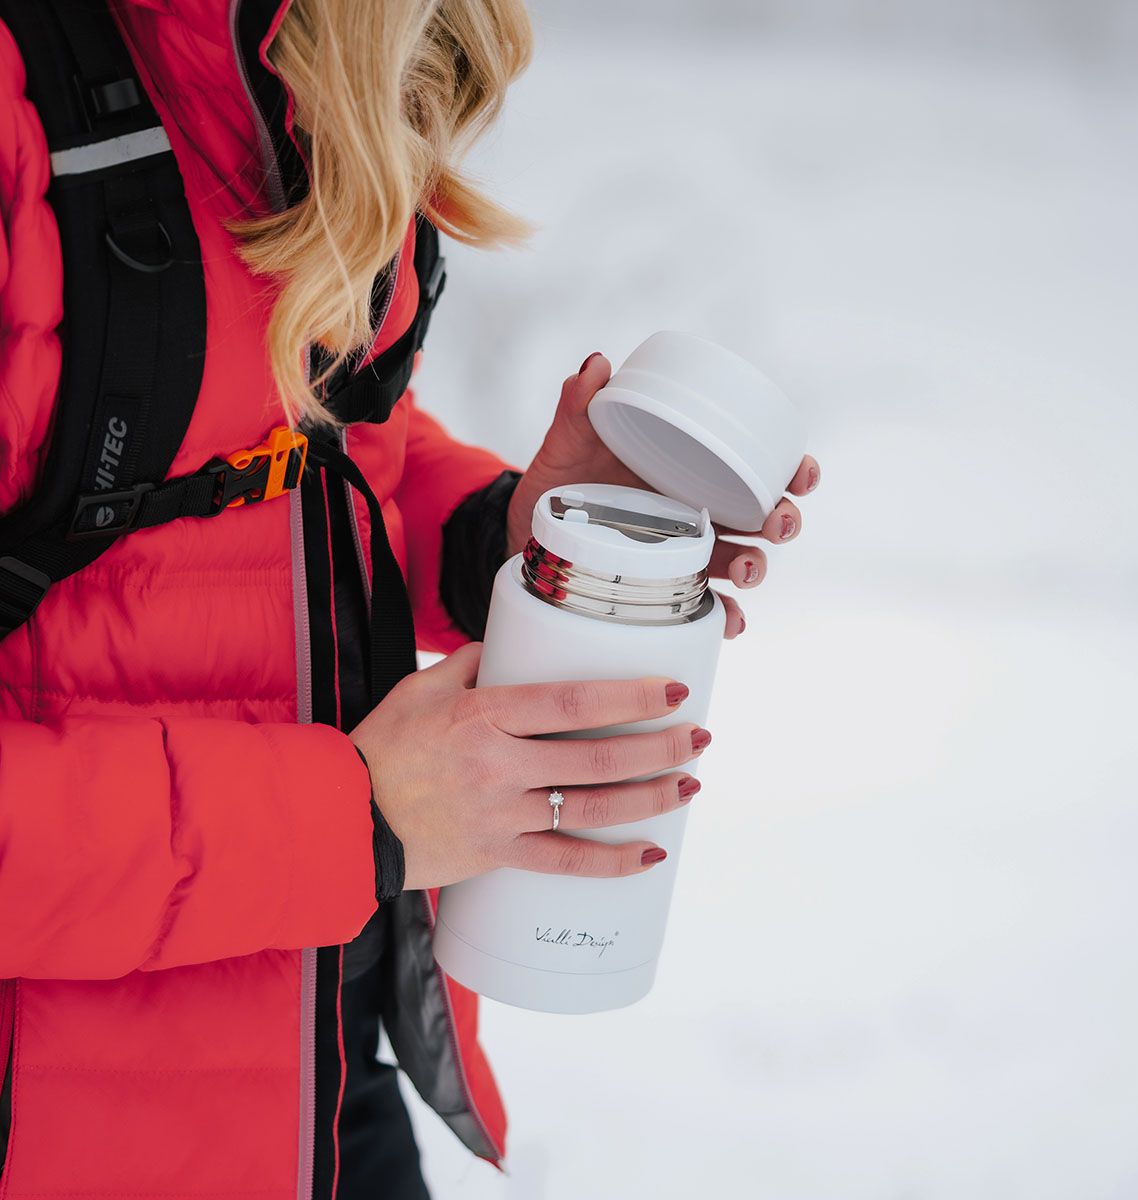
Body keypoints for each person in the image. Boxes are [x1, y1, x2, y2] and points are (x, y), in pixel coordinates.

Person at [0, 1, 821, 1197]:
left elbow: (299, 448)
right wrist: (350, 817)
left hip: (320, 1057)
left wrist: (505, 542)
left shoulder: (300, 53)